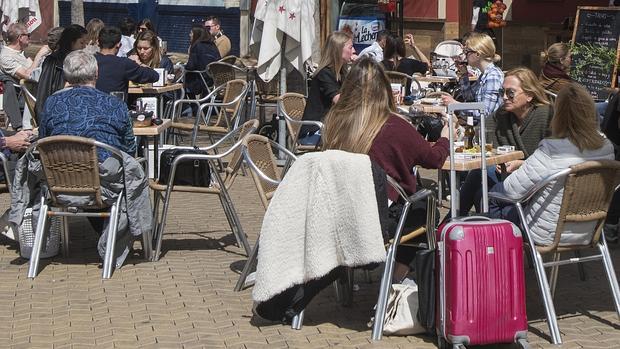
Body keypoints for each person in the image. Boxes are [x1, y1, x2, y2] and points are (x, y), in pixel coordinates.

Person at [324, 57, 453, 282]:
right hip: (378, 221)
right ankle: (395, 279)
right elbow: (433, 159)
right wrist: (445, 138)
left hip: (339, 215)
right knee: (424, 206)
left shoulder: (334, 124)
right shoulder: (394, 126)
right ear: (384, 89)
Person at [488, 83, 614, 246]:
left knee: (495, 194)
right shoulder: (606, 147)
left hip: (547, 232)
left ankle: (499, 258)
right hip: (589, 229)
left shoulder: (552, 149)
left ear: (558, 115)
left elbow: (511, 191)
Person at [458, 67, 553, 216]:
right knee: (479, 182)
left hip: (536, 184)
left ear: (529, 95)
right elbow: (480, 131)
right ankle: (458, 222)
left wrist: (522, 164)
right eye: (502, 92)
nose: (504, 97)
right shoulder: (503, 114)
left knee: (480, 179)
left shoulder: (545, 116)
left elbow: (553, 159)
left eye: (511, 93)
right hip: (507, 176)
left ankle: (452, 222)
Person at [38, 50, 136, 160]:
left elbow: (43, 138)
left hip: (61, 170)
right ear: (97, 73)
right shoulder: (115, 104)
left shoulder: (52, 102)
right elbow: (130, 147)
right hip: (105, 172)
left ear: (66, 76)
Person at [299, 31, 356, 145]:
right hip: (313, 132)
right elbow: (339, 100)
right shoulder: (324, 73)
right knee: (356, 142)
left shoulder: (341, 72)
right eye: (350, 47)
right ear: (338, 50)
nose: (354, 50)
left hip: (330, 128)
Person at [441, 32, 504, 118]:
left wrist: (455, 104)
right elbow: (469, 97)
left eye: (467, 52)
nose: (465, 56)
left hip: (486, 129)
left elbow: (485, 112)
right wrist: (464, 74)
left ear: (477, 54)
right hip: (476, 125)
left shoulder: (493, 76)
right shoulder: (485, 75)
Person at [0, 23, 50, 130]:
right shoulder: (5, 57)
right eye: (28, 35)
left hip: (36, 87)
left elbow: (33, 69)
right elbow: (28, 75)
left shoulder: (22, 52)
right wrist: (39, 55)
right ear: (20, 37)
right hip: (26, 93)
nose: (30, 37)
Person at [35, 24, 88, 118]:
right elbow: (43, 92)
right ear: (71, 42)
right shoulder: (53, 61)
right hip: (56, 113)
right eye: (81, 43)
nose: (84, 47)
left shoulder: (80, 61)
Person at [94, 26, 159, 95]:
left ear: (98, 42)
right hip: (115, 104)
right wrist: (139, 63)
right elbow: (154, 76)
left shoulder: (88, 61)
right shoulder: (124, 64)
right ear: (119, 45)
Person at [184, 25, 221, 97]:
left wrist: (182, 67)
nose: (189, 35)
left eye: (191, 33)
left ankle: (192, 106)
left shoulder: (196, 46)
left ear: (196, 34)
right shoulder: (212, 45)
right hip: (212, 79)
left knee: (182, 80)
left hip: (201, 79)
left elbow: (191, 66)